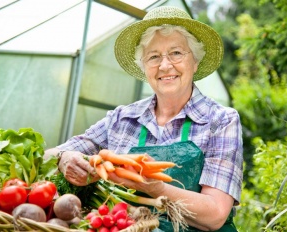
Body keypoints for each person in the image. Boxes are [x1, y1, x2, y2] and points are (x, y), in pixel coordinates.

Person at [45, 5, 243, 232]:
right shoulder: (122, 118)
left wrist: (155, 188)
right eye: (154, 56)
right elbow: (48, 155)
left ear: (195, 62)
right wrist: (65, 157)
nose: (165, 65)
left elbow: (215, 214)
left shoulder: (221, 121)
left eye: (176, 53)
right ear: (144, 67)